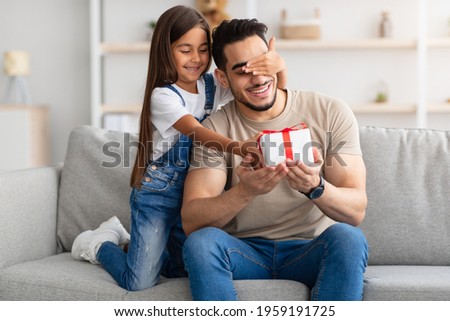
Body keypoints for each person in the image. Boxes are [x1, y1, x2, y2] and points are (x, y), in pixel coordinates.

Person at [70, 5, 286, 291]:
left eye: (202, 49)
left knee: (180, 269)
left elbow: (271, 89)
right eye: (185, 50)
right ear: (165, 50)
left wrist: (276, 65)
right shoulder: (163, 96)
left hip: (193, 195)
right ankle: (101, 243)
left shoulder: (213, 84)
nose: (196, 59)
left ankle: (135, 247)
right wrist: (238, 147)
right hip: (158, 196)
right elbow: (196, 132)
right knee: (139, 282)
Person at [181, 18, 369, 301]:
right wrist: (245, 191)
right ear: (223, 78)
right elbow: (192, 221)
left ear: (275, 59)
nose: (258, 78)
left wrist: (315, 186)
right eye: (243, 71)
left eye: (262, 64)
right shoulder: (215, 129)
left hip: (310, 250)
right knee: (201, 243)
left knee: (349, 239)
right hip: (243, 252)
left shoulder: (329, 112)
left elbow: (356, 211)